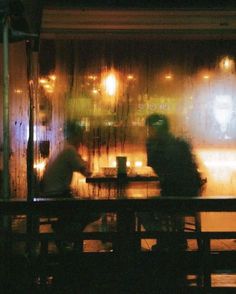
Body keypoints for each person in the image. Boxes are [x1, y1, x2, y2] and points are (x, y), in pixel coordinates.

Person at [140, 113, 205, 251]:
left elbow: (160, 171)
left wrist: (151, 149)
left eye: (149, 129)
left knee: (140, 209)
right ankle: (174, 239)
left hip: (177, 195)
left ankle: (167, 239)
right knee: (150, 206)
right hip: (188, 194)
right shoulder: (179, 143)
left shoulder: (162, 146)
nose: (148, 132)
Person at [41, 120, 100, 250]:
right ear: (76, 135)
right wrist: (89, 148)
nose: (83, 137)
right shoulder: (69, 150)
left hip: (50, 194)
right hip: (57, 196)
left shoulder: (62, 146)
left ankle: (65, 230)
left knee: (85, 207)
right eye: (81, 134)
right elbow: (87, 172)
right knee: (95, 210)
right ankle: (65, 234)